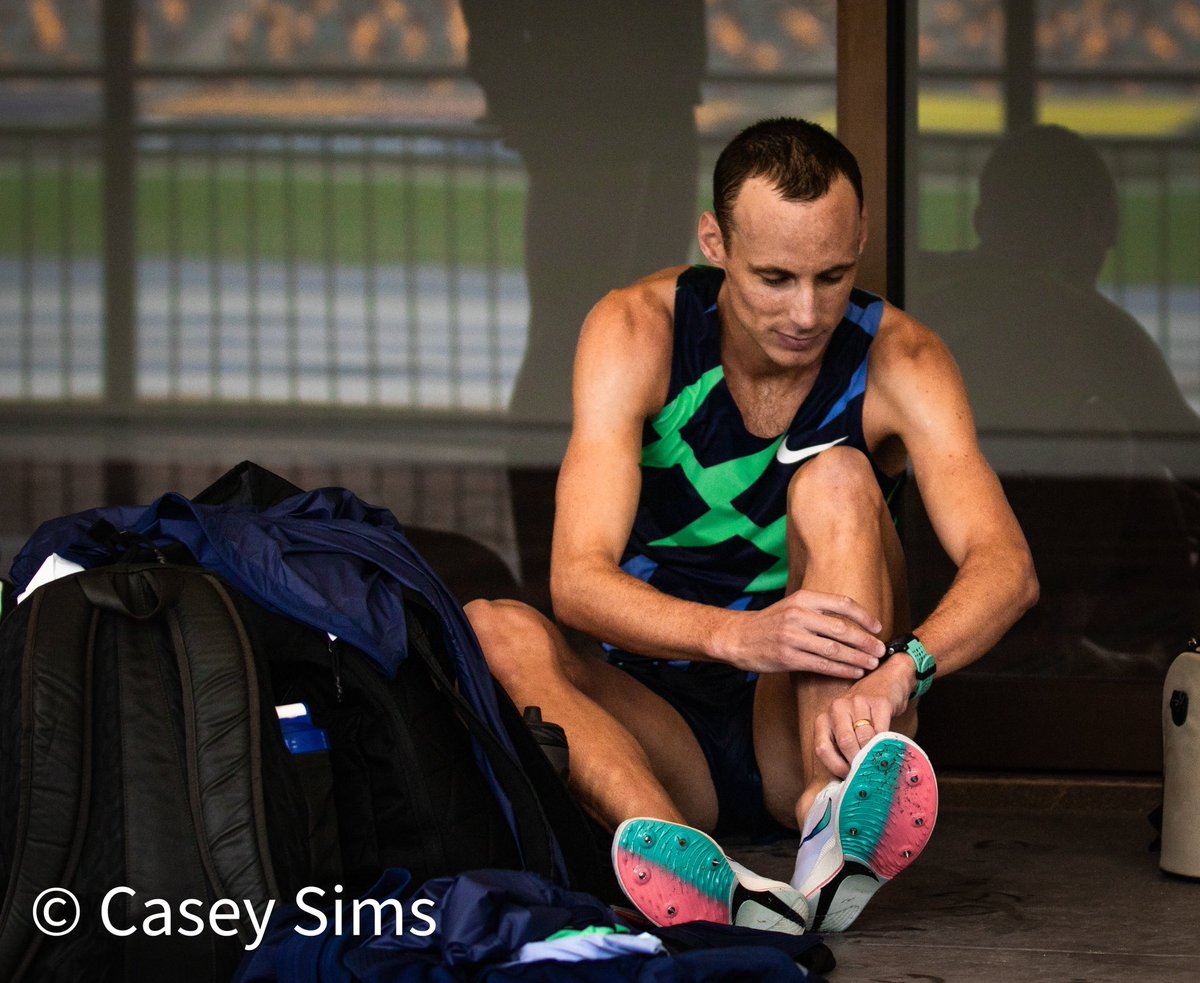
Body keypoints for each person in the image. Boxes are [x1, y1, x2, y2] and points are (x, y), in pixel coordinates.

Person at [466, 118, 1038, 934]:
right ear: (715, 243)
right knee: (493, 629)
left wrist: (904, 670)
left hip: (815, 716)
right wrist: (739, 636)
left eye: (832, 276)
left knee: (839, 477)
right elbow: (576, 581)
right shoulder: (636, 333)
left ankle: (825, 819)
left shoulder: (902, 359)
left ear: (861, 240)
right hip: (662, 719)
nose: (806, 312)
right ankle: (679, 854)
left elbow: (1006, 566)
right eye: (774, 277)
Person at [910, 124, 1200, 671]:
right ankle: (1079, 648)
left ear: (981, 223)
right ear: (1091, 228)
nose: (1111, 243)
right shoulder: (1091, 325)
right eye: (1104, 223)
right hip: (993, 570)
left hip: (919, 569)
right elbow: (1185, 453)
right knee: (1115, 440)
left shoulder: (918, 280)